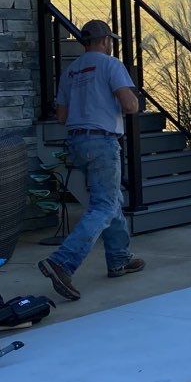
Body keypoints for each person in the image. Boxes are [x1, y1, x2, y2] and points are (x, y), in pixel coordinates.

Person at [37, 19, 145, 302]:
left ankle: (119, 258)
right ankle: (63, 261)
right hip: (103, 141)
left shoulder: (71, 70)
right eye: (111, 40)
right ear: (106, 40)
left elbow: (61, 116)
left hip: (77, 141)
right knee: (104, 205)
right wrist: (132, 100)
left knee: (110, 200)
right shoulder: (111, 65)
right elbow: (130, 104)